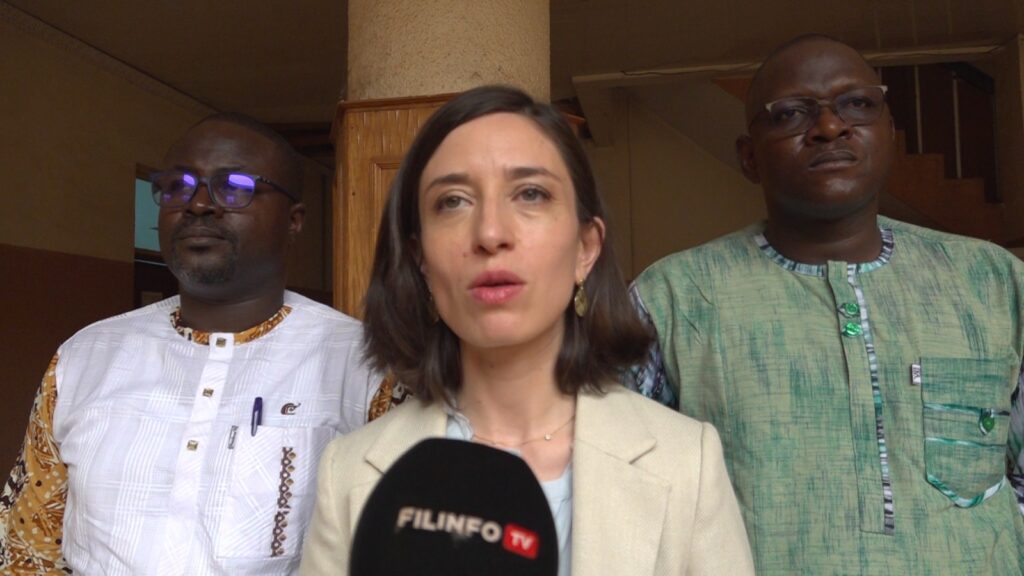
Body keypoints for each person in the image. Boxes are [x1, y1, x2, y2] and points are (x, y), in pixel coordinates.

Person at [299, 85, 754, 576]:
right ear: (421, 260)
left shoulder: (686, 460)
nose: (490, 234)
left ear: (585, 248)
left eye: (530, 194)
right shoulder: (349, 472)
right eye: (453, 201)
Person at [628, 34, 1024, 575]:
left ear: (889, 132)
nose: (830, 126)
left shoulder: (993, 282)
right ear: (748, 157)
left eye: (857, 104)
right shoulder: (672, 299)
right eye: (791, 114)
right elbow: (621, 496)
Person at [0, 113, 379, 575]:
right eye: (178, 186)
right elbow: (29, 547)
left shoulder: (364, 364)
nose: (199, 204)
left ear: (294, 220)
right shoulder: (84, 358)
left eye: (234, 187)